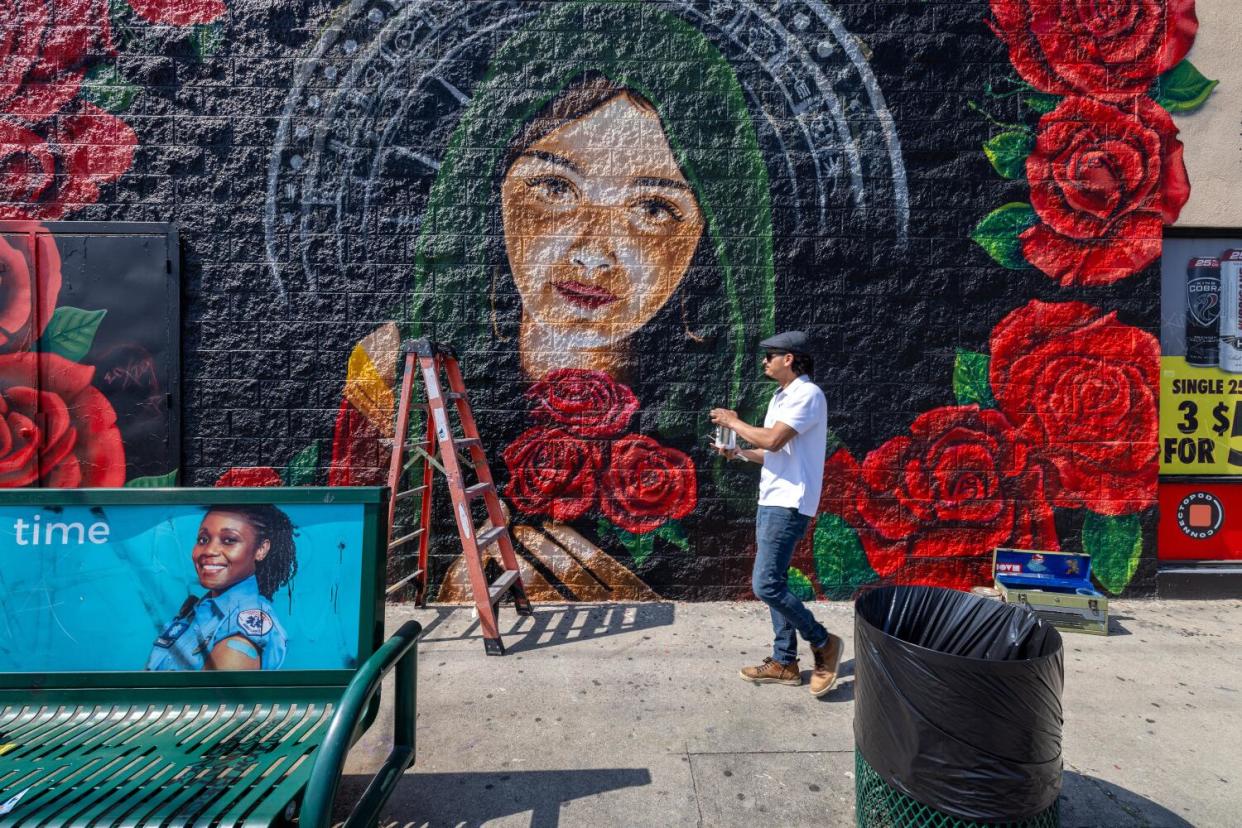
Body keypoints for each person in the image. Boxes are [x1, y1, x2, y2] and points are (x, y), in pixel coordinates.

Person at [327, 1, 778, 600]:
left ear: (709, 242)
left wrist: (628, 598)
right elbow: (342, 577)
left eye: (652, 209)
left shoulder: (746, 403)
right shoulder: (392, 372)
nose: (594, 253)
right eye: (554, 187)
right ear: (492, 189)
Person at [710, 331, 842, 697]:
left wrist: (733, 422)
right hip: (771, 499)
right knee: (776, 584)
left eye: (771, 355)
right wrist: (736, 453)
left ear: (790, 358)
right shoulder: (781, 397)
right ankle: (784, 661)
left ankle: (823, 642)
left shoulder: (808, 394)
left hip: (789, 503)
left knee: (765, 584)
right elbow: (773, 454)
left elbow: (772, 439)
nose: (765, 361)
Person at [146, 505, 295, 671]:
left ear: (261, 549)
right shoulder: (197, 612)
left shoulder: (243, 630)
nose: (209, 550)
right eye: (203, 540)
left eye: (229, 540)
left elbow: (206, 696)